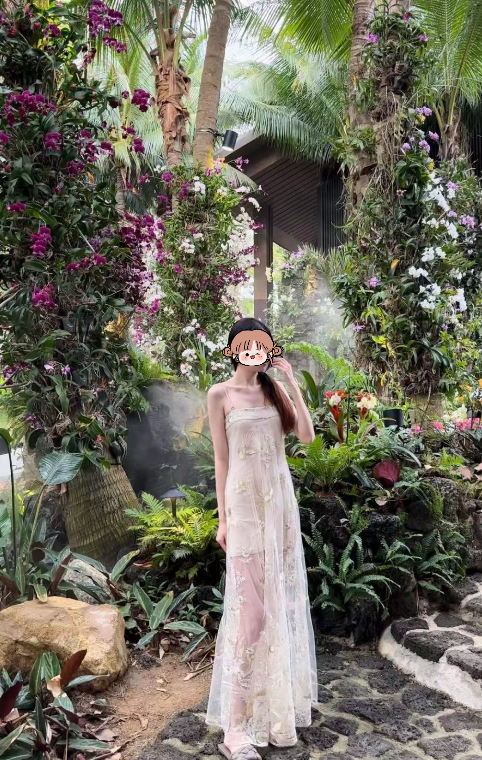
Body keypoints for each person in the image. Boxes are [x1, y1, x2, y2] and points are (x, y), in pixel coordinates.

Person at [205, 317, 318, 760]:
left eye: (261, 345)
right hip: (245, 512)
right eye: (247, 345)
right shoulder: (220, 394)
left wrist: (291, 383)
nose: (255, 352)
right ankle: (234, 730)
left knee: (277, 609)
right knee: (249, 616)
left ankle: (271, 712)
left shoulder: (274, 391)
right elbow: (221, 459)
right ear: (233, 350)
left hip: (279, 511)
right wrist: (223, 520)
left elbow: (306, 436)